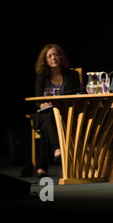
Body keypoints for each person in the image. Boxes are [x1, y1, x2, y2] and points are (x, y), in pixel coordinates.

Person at [34, 44, 80, 177]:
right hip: (47, 112)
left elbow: (77, 95)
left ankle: (42, 166)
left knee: (44, 127)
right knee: (49, 112)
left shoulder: (72, 75)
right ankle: (57, 149)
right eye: (49, 56)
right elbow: (37, 100)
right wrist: (42, 105)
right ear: (45, 60)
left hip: (67, 113)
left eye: (55, 55)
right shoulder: (41, 77)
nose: (53, 58)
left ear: (61, 56)